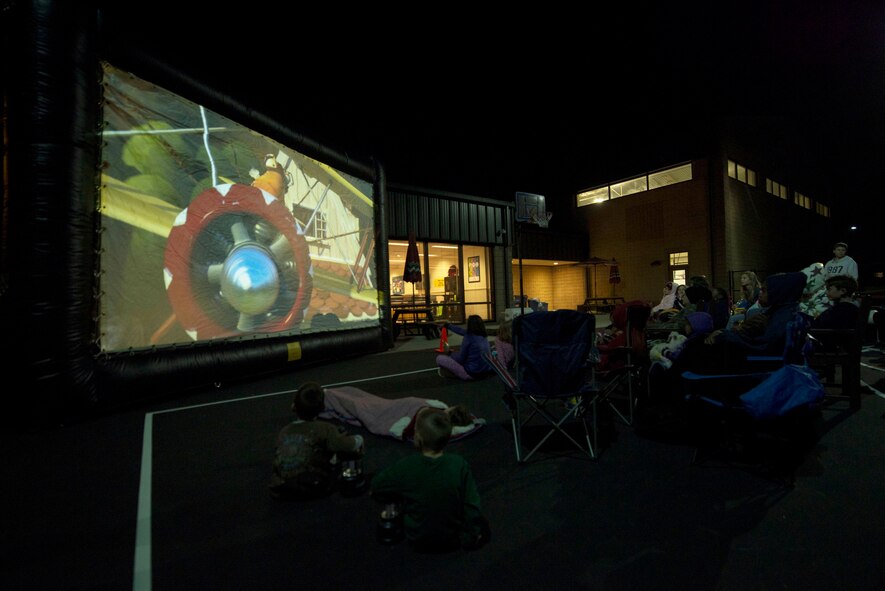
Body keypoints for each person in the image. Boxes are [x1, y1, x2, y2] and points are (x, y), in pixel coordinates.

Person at [371, 407, 490, 552]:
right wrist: (474, 532)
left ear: (418, 436)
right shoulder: (459, 464)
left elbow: (377, 486)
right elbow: (471, 504)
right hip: (452, 539)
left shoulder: (407, 465)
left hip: (417, 538)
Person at [269, 381, 365, 500]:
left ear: (294, 406)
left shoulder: (284, 431)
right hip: (313, 488)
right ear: (321, 409)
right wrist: (358, 438)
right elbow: (349, 445)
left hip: (280, 489)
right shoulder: (324, 428)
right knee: (343, 445)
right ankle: (353, 477)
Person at [318, 385, 484, 442]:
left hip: (390, 410)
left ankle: (328, 398)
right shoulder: (438, 409)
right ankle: (331, 396)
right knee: (358, 396)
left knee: (359, 404)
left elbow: (396, 427)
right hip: (395, 406)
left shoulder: (432, 419)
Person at [810, 275, 860, 350]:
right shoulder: (852, 309)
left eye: (829, 289)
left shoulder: (841, 310)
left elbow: (824, 326)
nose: (826, 292)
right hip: (834, 346)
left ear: (842, 291)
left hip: (828, 348)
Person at [436, 315, 492, 380]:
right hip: (485, 372)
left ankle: (455, 374)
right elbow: (461, 331)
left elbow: (460, 359)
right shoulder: (483, 336)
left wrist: (450, 353)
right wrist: (447, 325)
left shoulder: (469, 338)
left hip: (472, 373)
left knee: (439, 358)